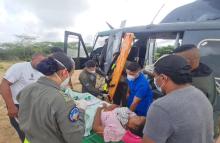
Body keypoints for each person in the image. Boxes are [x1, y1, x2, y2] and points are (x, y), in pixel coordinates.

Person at [142, 55, 213, 143]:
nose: (154, 80)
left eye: (155, 76)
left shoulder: (161, 107)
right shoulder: (200, 94)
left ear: (163, 78)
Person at [17, 52, 85, 143]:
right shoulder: (64, 100)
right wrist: (81, 110)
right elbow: (75, 139)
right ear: (64, 72)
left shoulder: (27, 89)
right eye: (71, 75)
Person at [0, 53, 45, 142]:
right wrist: (11, 107)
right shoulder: (19, 67)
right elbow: (4, 85)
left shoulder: (42, 71)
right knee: (25, 133)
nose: (42, 63)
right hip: (18, 106)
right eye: (40, 60)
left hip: (33, 106)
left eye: (44, 61)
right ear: (33, 58)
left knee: (35, 132)